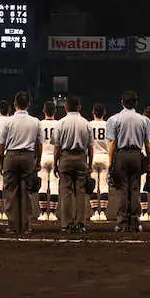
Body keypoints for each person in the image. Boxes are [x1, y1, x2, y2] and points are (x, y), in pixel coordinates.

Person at [106, 90, 150, 233]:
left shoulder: (114, 119)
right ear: (136, 103)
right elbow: (147, 144)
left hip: (121, 155)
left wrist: (110, 162)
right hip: (137, 155)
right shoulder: (144, 120)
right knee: (135, 189)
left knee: (122, 190)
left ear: (122, 103)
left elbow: (113, 143)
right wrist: (149, 161)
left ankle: (121, 223)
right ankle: (135, 222)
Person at [0, 91, 42, 234]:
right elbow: (39, 144)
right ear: (28, 104)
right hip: (28, 156)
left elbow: (1, 145)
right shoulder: (35, 121)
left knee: (11, 192)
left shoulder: (8, 121)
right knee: (27, 192)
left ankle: (13, 226)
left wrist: (2, 161)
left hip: (11, 156)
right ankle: (26, 225)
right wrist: (38, 161)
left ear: (15, 104)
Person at [52, 94, 92, 232]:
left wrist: (55, 163)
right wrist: (89, 164)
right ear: (79, 107)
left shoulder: (60, 123)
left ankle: (66, 224)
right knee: (81, 192)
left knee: (66, 192)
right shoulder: (86, 123)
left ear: (66, 107)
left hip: (66, 157)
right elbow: (90, 147)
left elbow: (57, 146)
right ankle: (80, 223)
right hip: (81, 157)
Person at [37, 100, 60, 221]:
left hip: (43, 156)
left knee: (43, 185)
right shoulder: (59, 124)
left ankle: (42, 213)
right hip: (55, 156)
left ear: (43, 111)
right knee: (54, 186)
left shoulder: (39, 124)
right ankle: (52, 213)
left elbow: (37, 143)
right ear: (55, 111)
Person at [88, 103, 110, 221]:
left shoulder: (89, 125)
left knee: (93, 185)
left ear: (93, 112)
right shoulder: (108, 125)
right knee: (104, 185)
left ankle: (96, 212)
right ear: (104, 113)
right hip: (105, 156)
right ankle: (103, 213)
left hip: (93, 156)